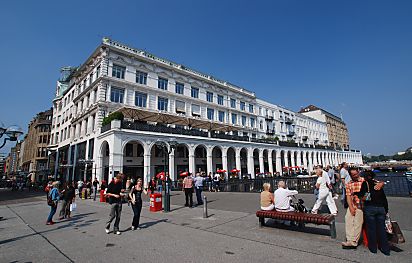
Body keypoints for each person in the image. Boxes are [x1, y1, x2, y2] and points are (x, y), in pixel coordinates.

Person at [356, 171, 390, 255]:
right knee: (381, 228)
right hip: (381, 208)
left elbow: (361, 194)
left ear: (364, 176)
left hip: (370, 207)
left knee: (371, 229)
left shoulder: (365, 183)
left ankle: (373, 248)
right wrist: (386, 210)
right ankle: (385, 249)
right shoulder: (378, 183)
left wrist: (355, 193)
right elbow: (384, 198)